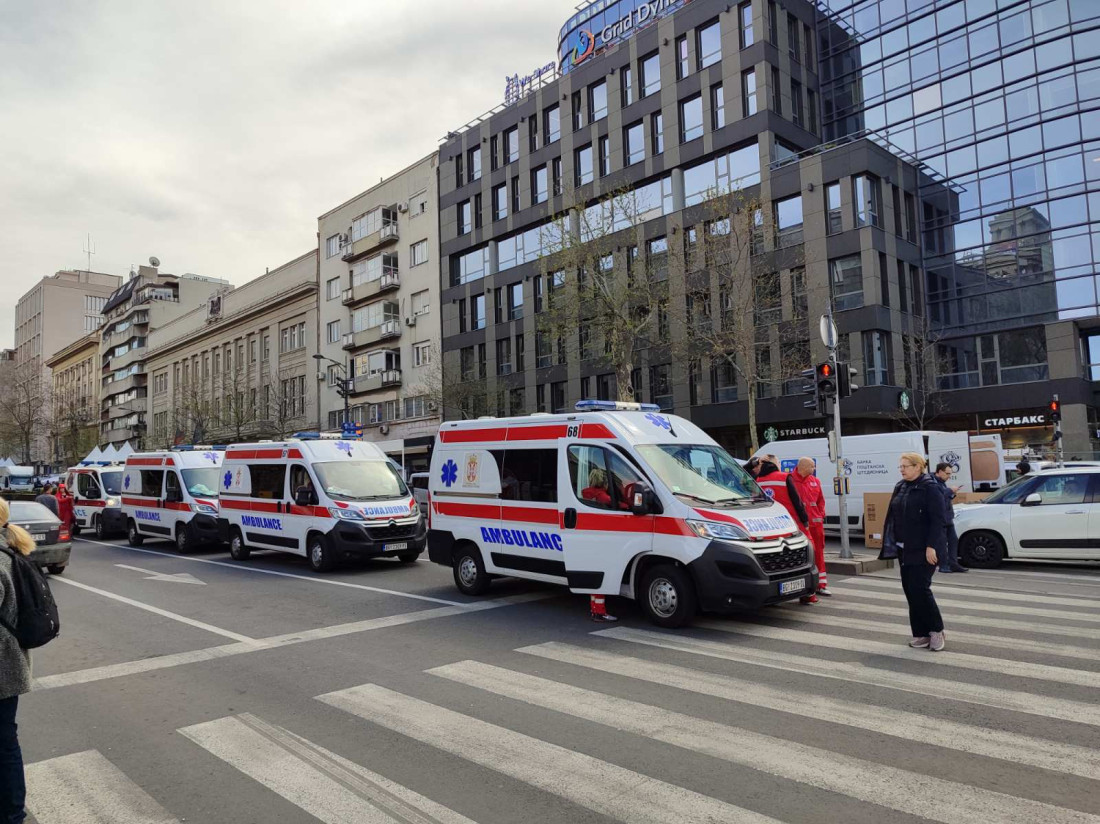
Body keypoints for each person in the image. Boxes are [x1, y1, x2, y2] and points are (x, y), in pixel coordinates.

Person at [882, 453, 948, 651]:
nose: (902, 469)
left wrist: (932, 546)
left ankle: (937, 631)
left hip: (924, 549)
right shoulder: (901, 486)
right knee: (910, 591)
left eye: (906, 466)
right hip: (905, 548)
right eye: (900, 466)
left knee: (920, 589)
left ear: (918, 467)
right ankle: (920, 633)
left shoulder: (930, 487)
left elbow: (938, 521)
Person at [0, 498, 35, 823]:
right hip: (10, 665)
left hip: (1, 669)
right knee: (5, 740)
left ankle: (11, 814)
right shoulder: (9, 551)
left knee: (4, 744)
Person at [755, 458, 817, 604]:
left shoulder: (758, 480)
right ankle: (808, 595)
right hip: (792, 523)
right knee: (806, 557)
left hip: (769, 526)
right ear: (775, 465)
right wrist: (805, 520)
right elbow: (797, 501)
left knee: (775, 561)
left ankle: (777, 594)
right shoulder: (784, 477)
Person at [789, 457, 831, 596]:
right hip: (800, 525)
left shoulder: (815, 481)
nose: (814, 469)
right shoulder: (790, 481)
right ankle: (803, 586)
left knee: (818, 553)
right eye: (812, 466)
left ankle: (821, 584)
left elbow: (821, 501)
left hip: (815, 524)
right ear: (803, 466)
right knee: (802, 555)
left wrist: (820, 514)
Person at [933, 462, 967, 573]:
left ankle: (953, 564)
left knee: (953, 540)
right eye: (947, 473)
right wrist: (950, 491)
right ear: (940, 471)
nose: (949, 476)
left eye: (950, 474)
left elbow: (944, 498)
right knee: (942, 542)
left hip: (947, 517)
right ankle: (943, 565)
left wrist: (952, 493)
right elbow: (937, 497)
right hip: (939, 518)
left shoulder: (942, 482)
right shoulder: (932, 482)